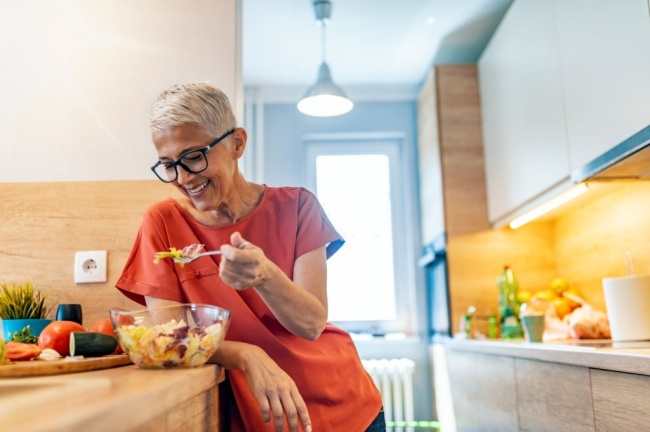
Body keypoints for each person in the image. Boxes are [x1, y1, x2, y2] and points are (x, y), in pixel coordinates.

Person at [115, 82, 384, 432]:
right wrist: (245, 354)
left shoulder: (298, 206)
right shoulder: (162, 223)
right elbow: (170, 338)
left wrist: (265, 276)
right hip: (263, 415)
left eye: (193, 157)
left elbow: (311, 324)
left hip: (347, 406)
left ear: (237, 143)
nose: (182, 178)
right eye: (168, 164)